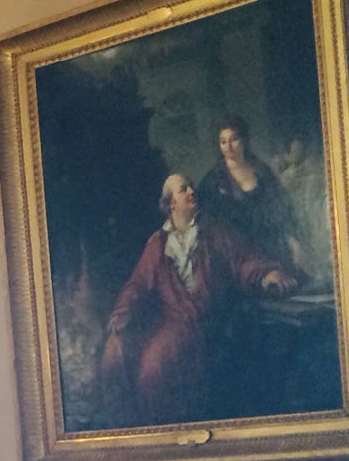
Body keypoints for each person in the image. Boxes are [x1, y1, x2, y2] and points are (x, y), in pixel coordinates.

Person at [99, 174, 297, 426]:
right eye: (184, 190)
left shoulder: (216, 233)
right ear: (171, 203)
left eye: (191, 187)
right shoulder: (158, 243)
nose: (192, 191)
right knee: (127, 358)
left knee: (155, 368)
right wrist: (123, 310)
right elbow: (138, 284)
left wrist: (266, 274)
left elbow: (244, 261)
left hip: (208, 323)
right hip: (173, 322)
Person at [195, 115, 308, 273]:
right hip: (235, 255)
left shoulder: (261, 172)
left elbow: (282, 208)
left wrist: (294, 241)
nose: (229, 146)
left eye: (233, 139)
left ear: (244, 140)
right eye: (223, 141)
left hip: (269, 248)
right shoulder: (213, 179)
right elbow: (204, 219)